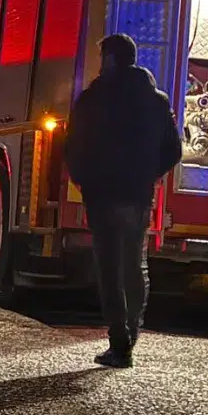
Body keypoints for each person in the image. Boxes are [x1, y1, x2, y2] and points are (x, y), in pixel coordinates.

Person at [66, 33, 182, 369]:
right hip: (137, 195)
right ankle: (132, 331)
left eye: (103, 56)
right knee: (133, 265)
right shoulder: (156, 101)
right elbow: (173, 150)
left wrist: (84, 179)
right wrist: (149, 174)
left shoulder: (92, 99)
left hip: (102, 196)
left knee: (109, 269)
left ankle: (120, 343)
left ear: (111, 59)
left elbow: (73, 146)